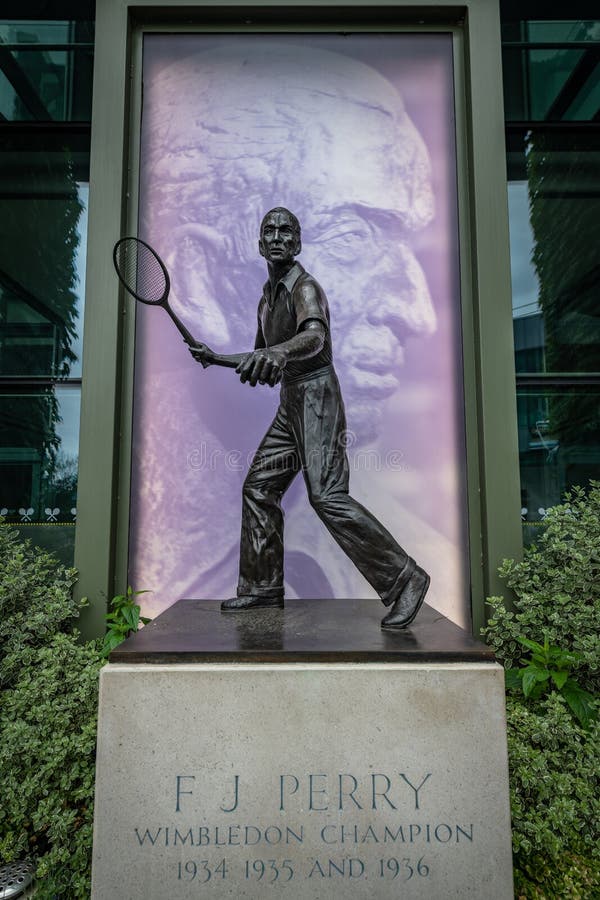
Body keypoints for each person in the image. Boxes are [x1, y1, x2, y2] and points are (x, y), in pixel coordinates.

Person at [190, 207, 430, 629]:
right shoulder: (267, 299)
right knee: (259, 487)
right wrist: (217, 358)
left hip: (318, 396)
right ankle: (262, 588)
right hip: (291, 402)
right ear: (260, 243)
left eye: (286, 231)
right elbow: (261, 356)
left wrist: (278, 353)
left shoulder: (305, 288)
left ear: (297, 243)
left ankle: (405, 578)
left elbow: (315, 336)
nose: (278, 236)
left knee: (327, 496)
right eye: (270, 230)